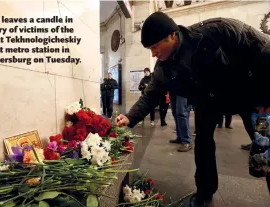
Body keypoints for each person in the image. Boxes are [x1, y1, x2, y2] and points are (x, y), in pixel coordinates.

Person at [115, 12, 270, 207]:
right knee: (203, 144)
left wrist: (265, 94)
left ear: (172, 36)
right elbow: (151, 94)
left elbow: (264, 48)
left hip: (248, 96)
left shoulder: (217, 30)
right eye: (150, 49)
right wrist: (130, 118)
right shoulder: (163, 67)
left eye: (155, 47)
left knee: (265, 147)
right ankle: (204, 192)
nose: (153, 54)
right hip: (207, 103)